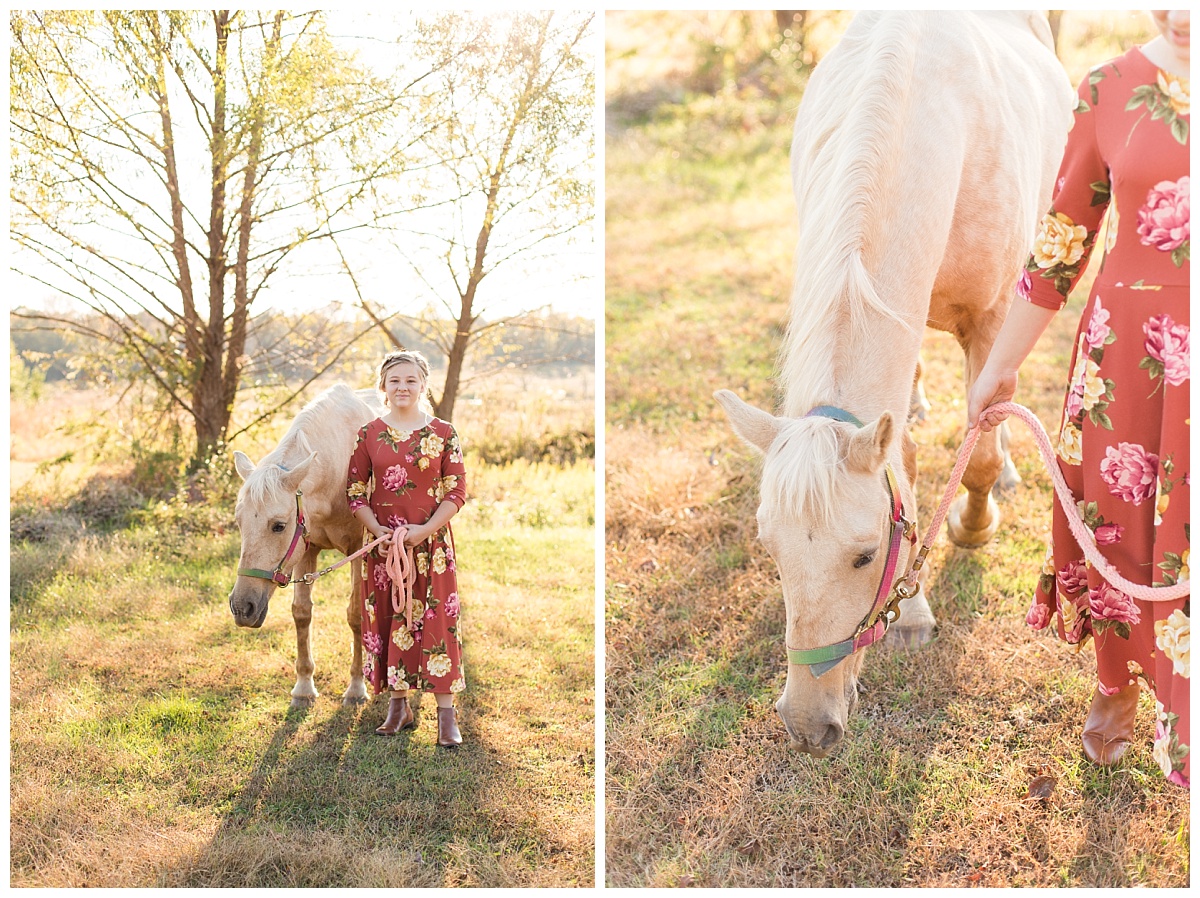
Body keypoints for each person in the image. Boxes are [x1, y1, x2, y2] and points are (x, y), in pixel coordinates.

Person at [968, 10, 1189, 786]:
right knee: (1119, 513)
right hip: (1126, 350)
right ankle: (1116, 678)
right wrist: (999, 364)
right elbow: (1065, 240)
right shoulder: (1108, 88)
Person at [346, 350, 468, 747]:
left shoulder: (443, 433)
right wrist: (377, 529)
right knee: (389, 619)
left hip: (431, 545)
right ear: (383, 386)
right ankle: (398, 706)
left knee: (437, 623)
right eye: (395, 380)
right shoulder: (368, 434)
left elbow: (457, 491)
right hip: (384, 547)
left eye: (411, 380)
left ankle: (446, 714)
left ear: (423, 384)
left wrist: (426, 529)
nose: (403, 387)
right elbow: (354, 492)